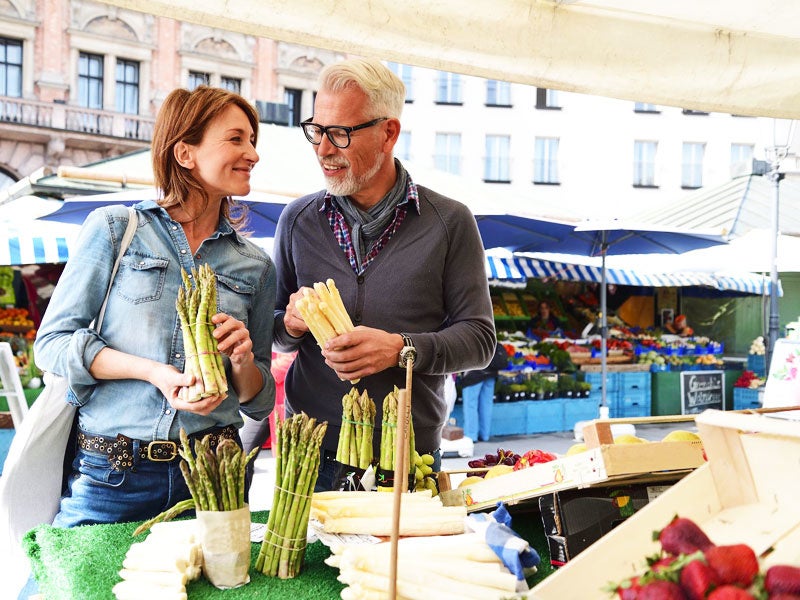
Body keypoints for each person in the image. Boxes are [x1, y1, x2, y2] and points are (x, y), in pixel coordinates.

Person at [32, 86, 276, 529]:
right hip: (112, 473)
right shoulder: (116, 229)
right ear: (185, 152)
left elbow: (258, 401)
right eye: (236, 139)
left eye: (252, 141)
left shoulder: (255, 264)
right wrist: (154, 373)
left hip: (214, 472)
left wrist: (241, 361)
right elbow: (51, 345)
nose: (253, 153)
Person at [272, 58, 495, 491]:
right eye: (316, 131)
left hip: (406, 451)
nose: (322, 149)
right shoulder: (297, 219)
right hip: (310, 453)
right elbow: (274, 335)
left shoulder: (450, 221)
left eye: (340, 133)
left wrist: (401, 349)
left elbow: (480, 341)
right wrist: (291, 322)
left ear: (388, 133)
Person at [459, 342, 508, 442]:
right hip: (490, 374)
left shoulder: (470, 337)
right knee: (486, 405)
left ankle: (471, 436)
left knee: (470, 405)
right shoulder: (490, 335)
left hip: (473, 375)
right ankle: (484, 435)